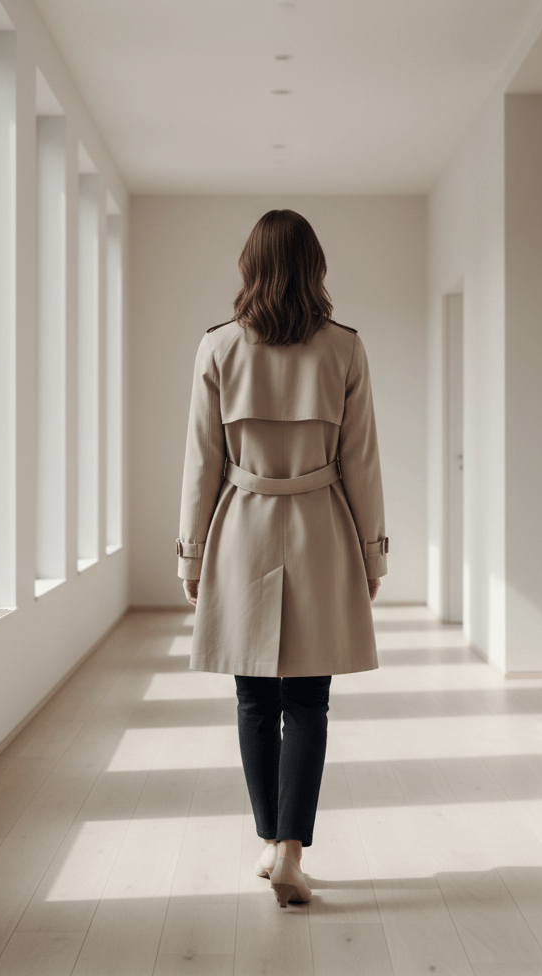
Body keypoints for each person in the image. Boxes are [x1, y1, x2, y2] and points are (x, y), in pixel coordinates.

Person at [175, 209, 389, 908]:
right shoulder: (345, 349)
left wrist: (192, 555)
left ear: (250, 267)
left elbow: (202, 464)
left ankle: (271, 842)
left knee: (253, 698)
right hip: (321, 528)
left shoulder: (217, 347)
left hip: (242, 526)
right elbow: (362, 462)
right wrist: (372, 554)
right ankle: (291, 849)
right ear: (314, 268)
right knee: (308, 699)